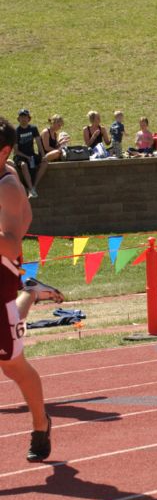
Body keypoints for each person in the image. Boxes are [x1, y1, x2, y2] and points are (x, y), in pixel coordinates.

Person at [0, 116, 66, 462]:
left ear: (4, 152)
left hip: (0, 284)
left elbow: (11, 246)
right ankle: (31, 292)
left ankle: (41, 425)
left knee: (14, 367)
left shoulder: (7, 188)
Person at [12, 109, 43, 198]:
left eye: (25, 117)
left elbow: (39, 143)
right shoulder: (16, 131)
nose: (23, 119)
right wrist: (27, 157)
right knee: (23, 165)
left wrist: (43, 155)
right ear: (18, 119)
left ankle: (34, 186)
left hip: (31, 155)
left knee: (45, 162)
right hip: (20, 156)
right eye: (21, 117)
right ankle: (30, 189)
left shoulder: (33, 128)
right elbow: (16, 151)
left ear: (29, 118)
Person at [37, 115, 68, 194]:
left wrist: (60, 143)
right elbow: (47, 147)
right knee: (58, 152)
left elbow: (54, 146)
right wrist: (58, 150)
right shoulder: (46, 132)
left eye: (61, 125)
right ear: (53, 123)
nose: (60, 127)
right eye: (59, 125)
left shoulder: (55, 134)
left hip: (52, 154)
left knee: (60, 151)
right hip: (44, 156)